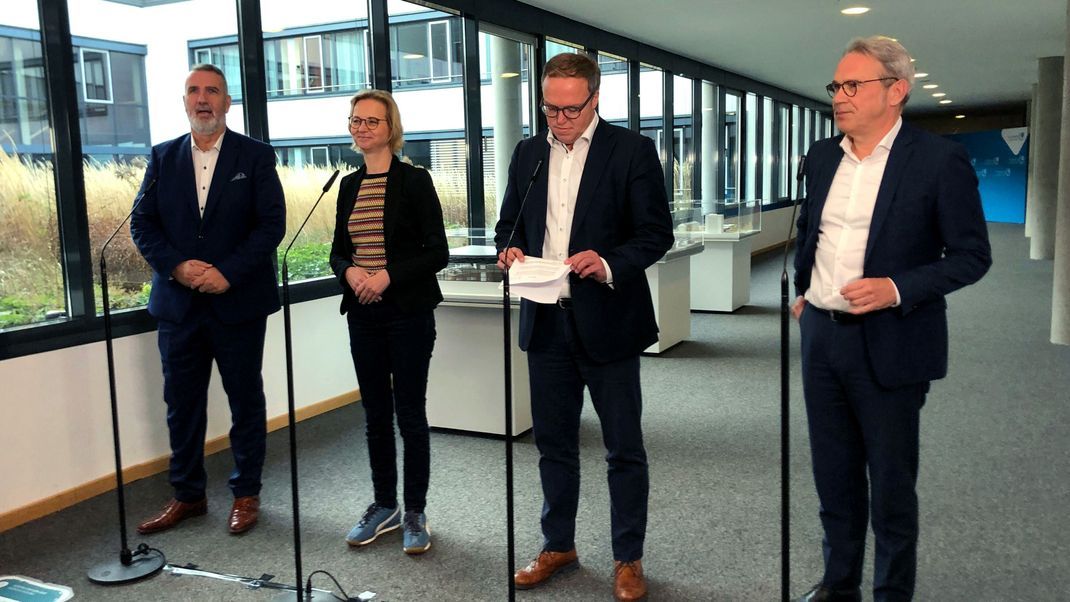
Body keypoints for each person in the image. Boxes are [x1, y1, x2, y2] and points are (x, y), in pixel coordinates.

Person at [791, 37, 991, 602]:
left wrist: (898, 287)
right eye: (836, 86)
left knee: (891, 486)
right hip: (821, 341)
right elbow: (815, 230)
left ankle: (891, 593)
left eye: (854, 85)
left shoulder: (937, 159)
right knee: (833, 476)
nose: (839, 96)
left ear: (896, 90)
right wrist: (808, 290)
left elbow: (973, 255)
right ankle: (838, 583)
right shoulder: (824, 154)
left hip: (892, 342)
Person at [494, 52, 673, 602]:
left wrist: (611, 261)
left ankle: (628, 558)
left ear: (596, 99)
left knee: (623, 447)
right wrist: (510, 250)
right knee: (553, 445)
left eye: (572, 109)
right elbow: (507, 225)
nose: (561, 119)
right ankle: (558, 545)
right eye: (551, 108)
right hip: (545, 321)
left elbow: (655, 233)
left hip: (608, 321)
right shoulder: (527, 153)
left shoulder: (633, 151)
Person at [131, 64, 286, 535]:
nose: (203, 99)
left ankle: (246, 493)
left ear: (227, 102)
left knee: (244, 400)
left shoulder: (254, 156)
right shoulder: (161, 158)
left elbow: (270, 225)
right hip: (178, 305)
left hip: (236, 301)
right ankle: (188, 495)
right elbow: (141, 224)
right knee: (181, 403)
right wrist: (176, 266)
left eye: (212, 91)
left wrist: (227, 273)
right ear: (183, 102)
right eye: (194, 91)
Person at [329, 90, 448, 555]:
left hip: (408, 315)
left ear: (390, 129)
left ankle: (415, 510)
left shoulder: (415, 182)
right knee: (375, 416)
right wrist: (350, 271)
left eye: (371, 121)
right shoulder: (347, 185)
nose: (361, 128)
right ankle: (384, 505)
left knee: (410, 415)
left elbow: (437, 252)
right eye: (355, 121)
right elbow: (339, 250)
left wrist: (386, 277)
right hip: (363, 316)